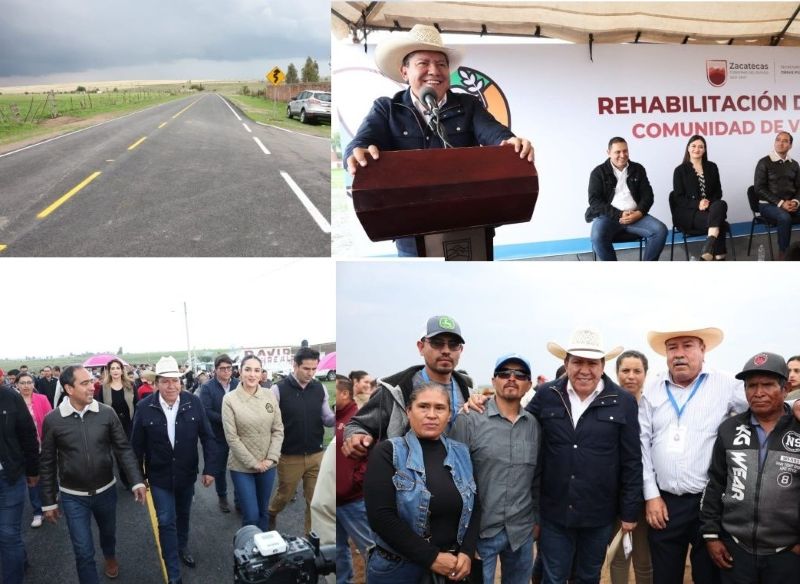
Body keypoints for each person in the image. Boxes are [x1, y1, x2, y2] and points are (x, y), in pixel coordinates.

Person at [343, 24, 534, 256]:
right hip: (412, 236)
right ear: (405, 72)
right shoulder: (387, 109)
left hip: (470, 229)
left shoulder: (468, 105)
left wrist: (509, 142)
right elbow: (360, 144)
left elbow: (495, 133)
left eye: (441, 64)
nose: (434, 71)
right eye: (423, 63)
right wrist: (356, 153)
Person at [639, 326, 747, 584]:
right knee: (664, 576)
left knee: (709, 575)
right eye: (672, 348)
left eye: (687, 346)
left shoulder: (727, 384)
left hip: (709, 503)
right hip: (664, 504)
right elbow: (641, 443)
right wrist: (651, 495)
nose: (679, 354)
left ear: (702, 350)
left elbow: (762, 402)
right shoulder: (652, 389)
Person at [700, 352, 800, 583]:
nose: (758, 392)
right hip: (736, 550)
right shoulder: (729, 430)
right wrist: (712, 536)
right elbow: (715, 483)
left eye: (768, 385)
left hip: (787, 554)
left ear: (785, 389)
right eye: (751, 385)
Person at [40, 365, 146, 583]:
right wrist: (49, 501)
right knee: (83, 552)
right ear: (69, 389)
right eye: (85, 383)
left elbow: (123, 449)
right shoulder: (53, 419)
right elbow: (48, 461)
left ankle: (109, 556)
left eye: (92, 382)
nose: (92, 386)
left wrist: (136, 481)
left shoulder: (106, 413)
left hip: (106, 491)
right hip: (72, 497)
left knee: (108, 534)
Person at [364, 383, 479, 583]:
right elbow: (380, 517)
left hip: (452, 567)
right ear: (409, 411)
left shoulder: (462, 453)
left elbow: (475, 505)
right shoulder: (388, 452)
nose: (432, 414)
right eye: (423, 406)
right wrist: (432, 557)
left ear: (450, 414)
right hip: (399, 569)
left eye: (440, 408)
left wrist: (467, 552)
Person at [450, 353, 540, 584]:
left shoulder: (535, 426)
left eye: (520, 375)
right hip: (480, 533)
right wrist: (464, 540)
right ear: (494, 380)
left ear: (528, 385)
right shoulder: (469, 420)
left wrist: (536, 521)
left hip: (521, 532)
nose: (511, 378)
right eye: (504, 373)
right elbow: (454, 478)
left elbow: (537, 479)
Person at [130, 356, 219, 584]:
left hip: (186, 475)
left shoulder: (193, 402)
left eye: (175, 381)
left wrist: (210, 468)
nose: (171, 386)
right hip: (159, 477)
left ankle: (182, 546)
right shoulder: (144, 407)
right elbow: (135, 449)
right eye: (166, 381)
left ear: (181, 382)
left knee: (183, 514)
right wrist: (138, 479)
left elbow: (208, 438)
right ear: (157, 383)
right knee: (166, 519)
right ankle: (173, 572)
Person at [342, 315, 473, 460]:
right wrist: (357, 436)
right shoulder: (394, 389)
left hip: (460, 477)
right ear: (421, 347)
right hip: (405, 478)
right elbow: (357, 424)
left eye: (453, 345)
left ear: (460, 350)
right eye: (437, 343)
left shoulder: (468, 392)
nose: (446, 350)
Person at [268, 347, 335, 533]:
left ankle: (310, 541)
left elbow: (327, 418)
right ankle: (271, 513)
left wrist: (339, 415)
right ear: (295, 365)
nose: (311, 373)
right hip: (289, 456)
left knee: (314, 501)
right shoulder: (278, 389)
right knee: (285, 495)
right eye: (306, 368)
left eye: (314, 369)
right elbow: (269, 423)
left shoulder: (319, 388)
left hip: (316, 454)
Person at [222, 355, 283, 531]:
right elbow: (232, 437)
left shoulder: (269, 395)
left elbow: (278, 429)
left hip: (267, 465)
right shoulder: (230, 399)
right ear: (239, 372)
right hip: (242, 467)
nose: (252, 374)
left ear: (261, 373)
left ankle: (264, 554)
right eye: (248, 369)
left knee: (263, 512)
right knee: (251, 514)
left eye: (257, 370)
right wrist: (254, 463)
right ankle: (249, 551)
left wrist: (270, 459)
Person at [607, 351, 652, 584]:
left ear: (646, 374)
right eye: (625, 371)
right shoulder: (607, 405)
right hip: (615, 495)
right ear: (617, 373)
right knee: (618, 555)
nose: (631, 376)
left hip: (648, 495)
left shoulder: (653, 406)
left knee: (644, 558)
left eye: (637, 371)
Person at [586, 137, 668, 261]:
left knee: (660, 230)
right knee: (597, 236)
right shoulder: (598, 172)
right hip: (608, 217)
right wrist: (619, 214)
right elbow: (594, 201)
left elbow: (648, 195)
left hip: (636, 216)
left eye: (625, 151)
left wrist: (639, 213)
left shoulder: (638, 169)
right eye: (617, 152)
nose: (622, 155)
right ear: (608, 153)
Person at [334, 376, 374, 584]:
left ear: (345, 394)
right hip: (333, 500)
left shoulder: (358, 419)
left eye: (335, 393)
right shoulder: (334, 418)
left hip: (353, 500)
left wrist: (352, 483)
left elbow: (370, 456)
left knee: (370, 550)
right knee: (338, 549)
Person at [0, 382, 40, 584]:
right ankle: (20, 559)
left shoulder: (10, 397)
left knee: (7, 534)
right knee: (7, 534)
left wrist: (33, 469)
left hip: (9, 476)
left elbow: (28, 435)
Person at [672, 135, 729, 261]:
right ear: (688, 148)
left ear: (704, 150)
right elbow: (678, 198)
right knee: (721, 224)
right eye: (693, 146)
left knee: (721, 204)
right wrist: (698, 204)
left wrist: (707, 203)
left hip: (710, 209)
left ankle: (708, 247)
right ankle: (719, 257)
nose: (696, 149)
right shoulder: (680, 171)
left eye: (700, 147)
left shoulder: (712, 167)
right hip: (688, 213)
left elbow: (718, 192)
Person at [197, 353, 239, 513]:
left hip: (238, 434)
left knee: (239, 468)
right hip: (218, 434)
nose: (227, 371)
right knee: (220, 469)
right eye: (223, 368)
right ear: (215, 370)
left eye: (229, 368)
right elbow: (206, 411)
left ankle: (239, 499)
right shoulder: (207, 387)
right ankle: (222, 497)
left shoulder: (238, 384)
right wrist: (227, 419)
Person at [754, 131, 800, 260]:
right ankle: (784, 254)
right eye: (778, 140)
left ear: (790, 145)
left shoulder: (794, 164)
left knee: (786, 214)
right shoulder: (764, 162)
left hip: (790, 204)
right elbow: (759, 189)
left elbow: (799, 188)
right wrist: (781, 203)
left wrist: (795, 202)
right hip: (768, 206)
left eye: (785, 141)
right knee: (784, 217)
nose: (780, 143)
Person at [15, 372, 52, 529]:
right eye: (22, 383)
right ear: (17, 385)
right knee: (32, 480)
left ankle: (50, 504)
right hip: (25, 450)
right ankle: (38, 511)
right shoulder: (14, 402)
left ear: (33, 384)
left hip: (44, 445)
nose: (26, 386)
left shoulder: (42, 399)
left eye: (29, 382)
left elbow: (51, 421)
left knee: (48, 477)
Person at [95, 358, 137, 490]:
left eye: (117, 368)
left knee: (132, 453)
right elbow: (99, 407)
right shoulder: (103, 388)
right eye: (112, 368)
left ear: (122, 370)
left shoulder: (131, 385)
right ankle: (127, 481)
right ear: (108, 371)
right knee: (120, 455)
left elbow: (137, 405)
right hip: (113, 426)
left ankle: (136, 478)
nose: (115, 371)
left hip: (130, 424)